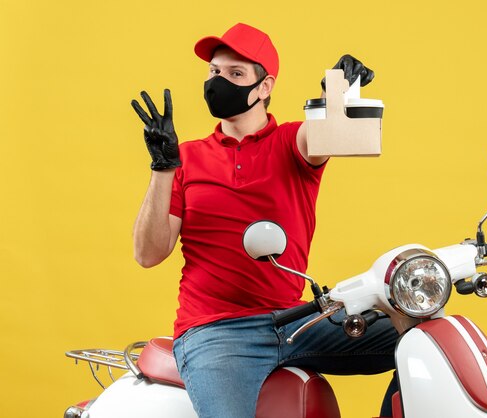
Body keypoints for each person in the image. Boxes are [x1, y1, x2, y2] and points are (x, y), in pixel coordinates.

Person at [131, 22, 398, 418]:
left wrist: (338, 92)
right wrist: (162, 167)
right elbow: (148, 254)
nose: (218, 82)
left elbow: (326, 136)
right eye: (214, 72)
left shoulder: (292, 142)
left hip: (296, 320)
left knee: (424, 339)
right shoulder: (185, 157)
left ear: (265, 86)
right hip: (215, 332)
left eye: (235, 74)